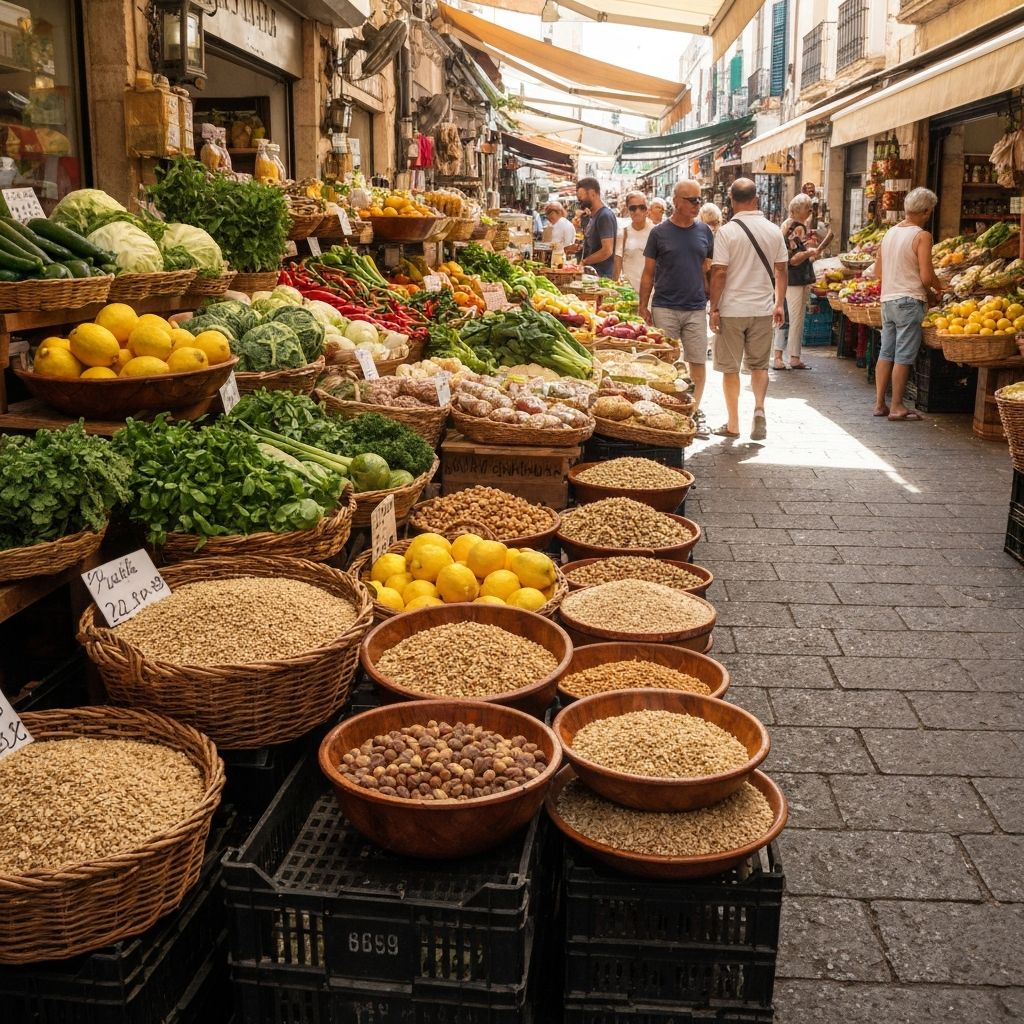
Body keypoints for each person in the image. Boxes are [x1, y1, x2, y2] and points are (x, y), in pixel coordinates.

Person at [708, 178, 787, 441]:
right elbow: (781, 269)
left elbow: (719, 272)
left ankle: (733, 424)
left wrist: (714, 308)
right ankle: (760, 408)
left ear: (731, 201)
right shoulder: (774, 230)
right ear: (756, 199)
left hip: (732, 309)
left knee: (730, 368)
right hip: (763, 308)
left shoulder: (726, 232)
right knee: (759, 366)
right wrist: (778, 303)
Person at [638, 178, 715, 437]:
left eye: (699, 200)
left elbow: (710, 269)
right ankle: (666, 412)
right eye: (691, 200)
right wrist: (643, 305)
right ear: (676, 202)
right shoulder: (659, 233)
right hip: (665, 307)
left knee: (697, 363)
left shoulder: (705, 231)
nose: (696, 204)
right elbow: (648, 273)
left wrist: (714, 302)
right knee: (666, 364)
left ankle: (694, 410)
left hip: (695, 307)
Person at [873, 187, 943, 422]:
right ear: (925, 211)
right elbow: (926, 276)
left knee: (886, 351)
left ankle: (880, 403)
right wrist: (939, 287)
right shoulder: (921, 236)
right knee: (903, 354)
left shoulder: (889, 233)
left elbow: (877, 272)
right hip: (909, 301)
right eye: (930, 211)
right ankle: (896, 406)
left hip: (888, 300)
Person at [773, 194, 818, 371]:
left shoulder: (786, 224)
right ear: (799, 210)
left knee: (782, 317)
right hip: (795, 278)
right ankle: (794, 357)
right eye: (808, 208)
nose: (810, 212)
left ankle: (777, 356)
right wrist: (810, 252)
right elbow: (795, 258)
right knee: (796, 318)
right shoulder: (798, 227)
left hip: (782, 277)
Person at [572, 177, 618, 277]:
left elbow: (607, 250)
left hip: (600, 276)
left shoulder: (604, 216)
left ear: (592, 194)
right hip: (591, 275)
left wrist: (584, 262)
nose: (580, 203)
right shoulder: (592, 216)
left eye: (581, 199)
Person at [613, 191, 653, 291]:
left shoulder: (656, 232)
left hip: (652, 291)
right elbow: (618, 261)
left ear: (647, 209)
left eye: (642, 207)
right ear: (628, 210)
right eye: (633, 208)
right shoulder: (623, 233)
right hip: (629, 292)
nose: (637, 211)